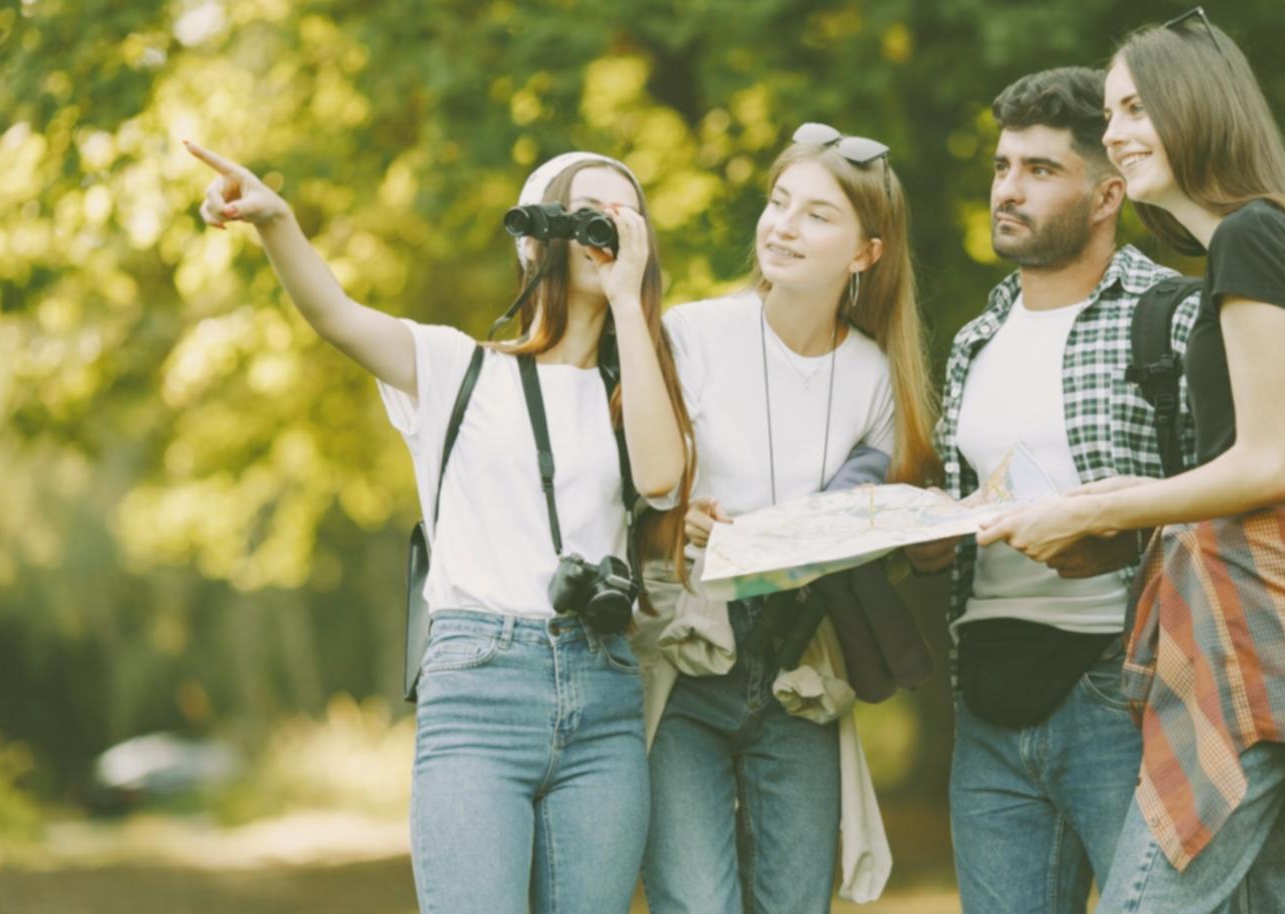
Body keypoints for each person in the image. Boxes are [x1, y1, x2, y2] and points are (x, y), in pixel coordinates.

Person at [186, 143, 691, 913]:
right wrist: (277, 221)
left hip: (602, 695)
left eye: (624, 217)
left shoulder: (637, 388)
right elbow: (335, 315)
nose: (605, 231)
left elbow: (661, 479)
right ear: (537, 239)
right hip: (479, 690)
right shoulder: (458, 369)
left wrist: (629, 301)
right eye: (586, 212)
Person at [980, 13, 1285, 913]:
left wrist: (1096, 514)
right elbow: (1258, 455)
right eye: (1110, 111)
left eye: (1135, 107)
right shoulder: (1260, 238)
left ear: (1197, 105)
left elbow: (1267, 464)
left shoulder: (1251, 238)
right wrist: (1128, 493)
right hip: (1265, 615)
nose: (1118, 132)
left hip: (1261, 625)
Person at [903, 67, 1199, 913]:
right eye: (1002, 168)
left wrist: (1119, 537)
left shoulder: (1175, 315)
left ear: (1107, 194)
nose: (1010, 190)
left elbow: (1235, 500)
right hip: (987, 694)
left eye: (1040, 170)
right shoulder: (974, 341)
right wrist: (928, 540)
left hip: (1125, 690)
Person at [638, 124, 940, 913]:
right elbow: (628, 500)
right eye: (778, 203)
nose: (782, 226)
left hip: (800, 674)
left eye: (816, 215)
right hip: (687, 665)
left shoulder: (877, 379)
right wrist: (678, 525)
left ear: (866, 253)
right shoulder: (691, 336)